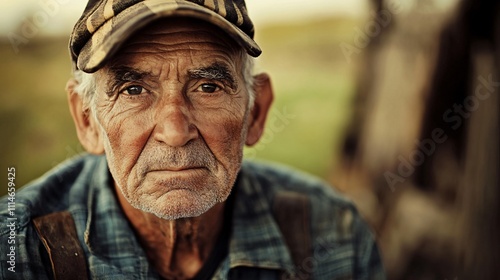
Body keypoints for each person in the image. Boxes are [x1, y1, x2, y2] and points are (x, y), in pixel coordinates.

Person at [0, 0, 385, 279]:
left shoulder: (336, 235)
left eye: (207, 86)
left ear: (255, 112)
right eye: (133, 90)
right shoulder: (15, 251)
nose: (175, 131)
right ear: (87, 120)